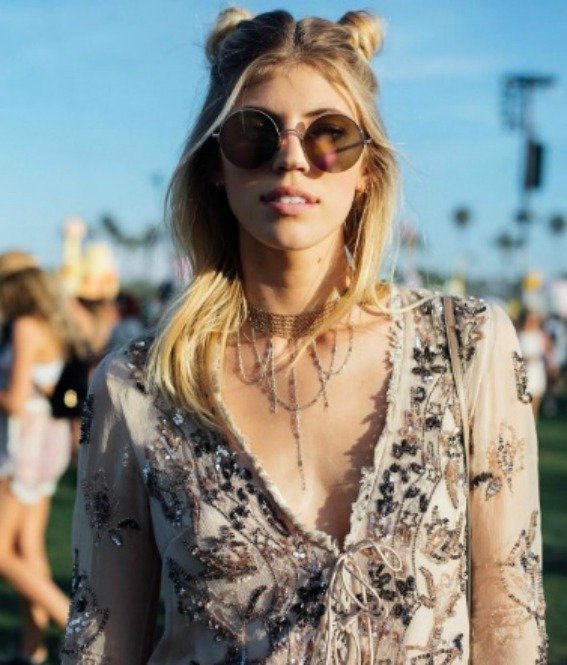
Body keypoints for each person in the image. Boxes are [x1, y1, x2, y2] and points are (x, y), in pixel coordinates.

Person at [61, 8, 547, 664]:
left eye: (329, 135)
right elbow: (99, 645)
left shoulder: (469, 348)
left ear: (367, 167)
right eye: (253, 133)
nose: (291, 158)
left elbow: (510, 621)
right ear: (214, 162)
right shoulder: (140, 385)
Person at [0, 251, 84, 664]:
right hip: (48, 446)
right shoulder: (55, 325)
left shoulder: (24, 326)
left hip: (25, 447)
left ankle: (75, 625)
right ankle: (31, 650)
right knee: (28, 548)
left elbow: (15, 401)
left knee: (2, 552)